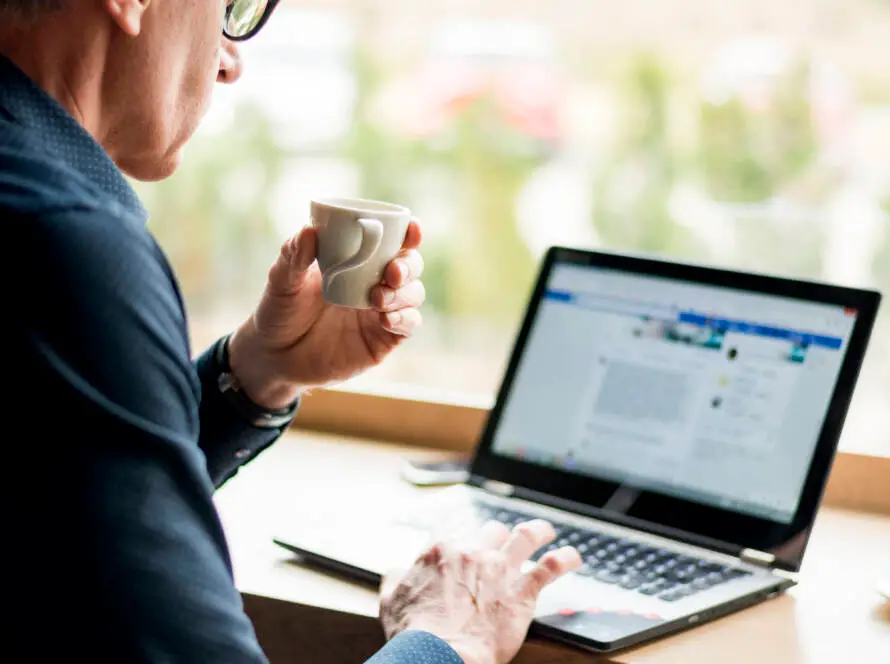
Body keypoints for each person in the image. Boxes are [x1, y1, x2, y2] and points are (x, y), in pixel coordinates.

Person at [0, 1, 582, 663]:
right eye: (229, 8)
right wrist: (449, 640)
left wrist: (254, 374)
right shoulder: (63, 239)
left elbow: (50, 482)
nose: (229, 59)